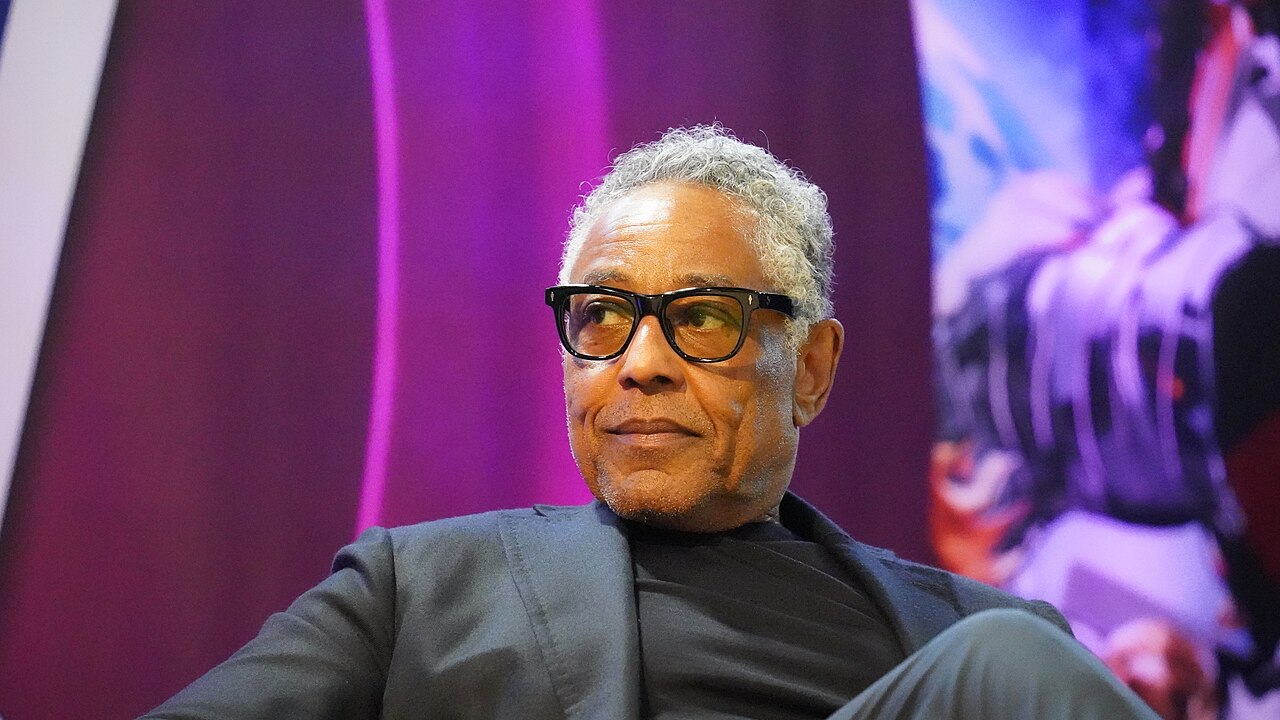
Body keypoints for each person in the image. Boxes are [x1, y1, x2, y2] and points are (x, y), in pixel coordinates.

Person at [142, 126, 1158, 719]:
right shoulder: (416, 591)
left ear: (809, 369)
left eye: (702, 318)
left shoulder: (977, 645)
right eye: (601, 317)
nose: (639, 364)